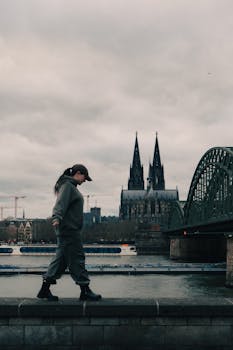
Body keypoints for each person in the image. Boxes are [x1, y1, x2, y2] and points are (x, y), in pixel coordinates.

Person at [37, 164, 102, 301]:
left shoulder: (69, 186)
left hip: (67, 230)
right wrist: (56, 217)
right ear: (78, 173)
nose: (85, 181)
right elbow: (60, 204)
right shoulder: (68, 186)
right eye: (85, 177)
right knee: (78, 258)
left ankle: (44, 289)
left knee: (60, 261)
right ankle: (85, 290)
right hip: (69, 231)